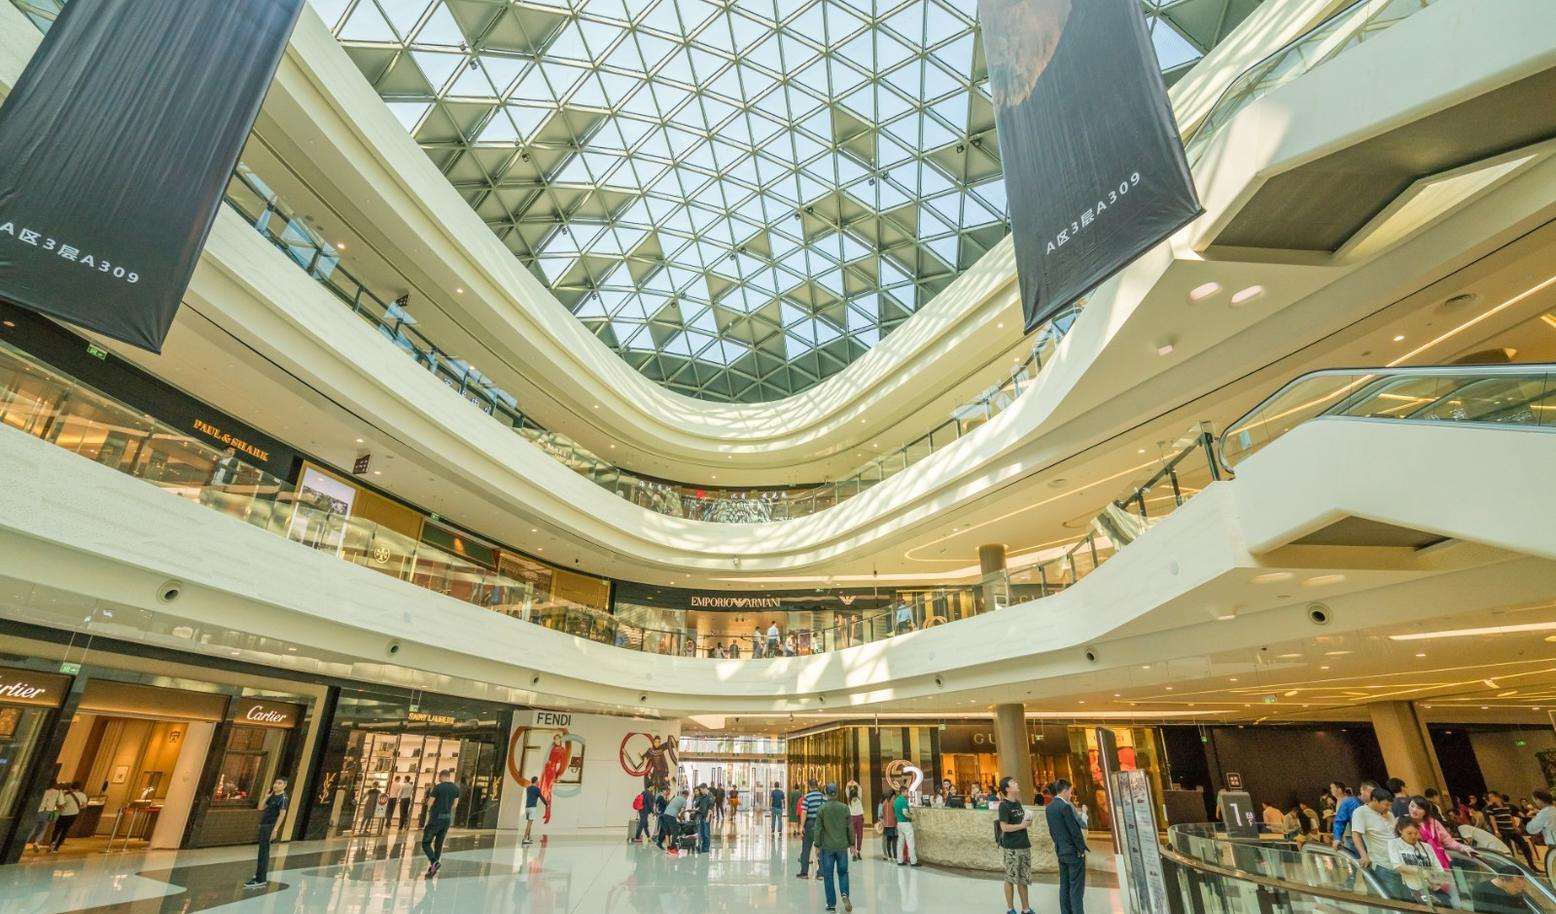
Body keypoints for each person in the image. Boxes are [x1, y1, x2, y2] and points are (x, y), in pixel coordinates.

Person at [996, 776, 1037, 914]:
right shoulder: (1004, 806)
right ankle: (1010, 909)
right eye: (1013, 783)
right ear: (1007, 789)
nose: (1016, 783)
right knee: (1010, 878)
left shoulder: (1018, 803)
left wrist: (1027, 822)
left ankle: (1026, 909)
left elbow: (1021, 823)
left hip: (1024, 845)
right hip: (1012, 848)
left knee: (1023, 879)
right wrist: (1022, 825)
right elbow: (1004, 827)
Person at [1047, 779, 1088, 914]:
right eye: (1070, 791)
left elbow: (1052, 832)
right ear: (1065, 791)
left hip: (1061, 851)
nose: (1071, 794)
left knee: (1064, 886)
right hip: (1073, 853)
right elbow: (1074, 831)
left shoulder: (1050, 807)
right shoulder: (1065, 807)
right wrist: (1081, 849)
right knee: (1076, 889)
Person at [1388, 817, 1451, 903]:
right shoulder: (1394, 844)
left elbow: (1438, 868)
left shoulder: (1426, 847)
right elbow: (1398, 866)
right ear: (1400, 831)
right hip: (1412, 889)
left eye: (1416, 833)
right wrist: (1421, 872)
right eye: (1409, 833)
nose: (1413, 836)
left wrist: (1438, 880)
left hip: (1431, 888)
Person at [244, 778, 289, 888]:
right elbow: (260, 808)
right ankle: (259, 875)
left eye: (280, 783)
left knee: (264, 852)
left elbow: (282, 814)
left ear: (284, 785)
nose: (276, 785)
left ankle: (261, 879)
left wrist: (275, 830)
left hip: (270, 826)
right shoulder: (273, 796)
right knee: (261, 852)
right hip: (264, 825)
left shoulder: (283, 798)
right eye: (275, 783)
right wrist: (266, 797)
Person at [816, 783, 854, 913]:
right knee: (843, 872)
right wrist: (852, 844)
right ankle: (844, 894)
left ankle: (831, 904)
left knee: (828, 875)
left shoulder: (822, 809)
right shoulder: (845, 808)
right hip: (842, 847)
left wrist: (817, 845)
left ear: (826, 794)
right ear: (837, 793)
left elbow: (818, 829)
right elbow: (850, 827)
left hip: (827, 847)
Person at [1406, 795, 1469, 868]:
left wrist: (1462, 847)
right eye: (1412, 806)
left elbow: (1448, 841)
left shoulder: (1434, 823)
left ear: (1425, 811)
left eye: (1419, 808)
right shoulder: (1404, 823)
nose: (1414, 810)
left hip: (1440, 860)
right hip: (1420, 863)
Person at [421, 769, 460, 878]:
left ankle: (434, 862)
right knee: (439, 845)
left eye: (439, 777)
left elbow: (430, 802)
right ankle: (432, 870)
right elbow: (455, 805)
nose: (438, 779)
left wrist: (430, 809)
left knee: (426, 843)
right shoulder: (456, 788)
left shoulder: (438, 787)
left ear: (442, 776)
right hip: (447, 819)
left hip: (435, 819)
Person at [1350, 787, 1396, 874]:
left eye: (1390, 805)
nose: (1388, 808)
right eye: (1386, 805)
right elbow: (1356, 835)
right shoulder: (1360, 812)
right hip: (1382, 864)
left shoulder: (1389, 814)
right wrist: (1363, 855)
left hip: (1398, 863)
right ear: (1374, 800)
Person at [1471, 871, 1537, 914]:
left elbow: (1526, 910)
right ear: (1503, 880)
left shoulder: (1513, 890)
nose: (1519, 890)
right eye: (1516, 887)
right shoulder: (1481, 890)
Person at [797, 779, 826, 878]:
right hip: (820, 825)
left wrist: (801, 826)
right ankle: (821, 873)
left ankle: (804, 873)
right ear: (817, 786)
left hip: (809, 824)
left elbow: (804, 812)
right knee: (821, 849)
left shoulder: (807, 797)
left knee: (806, 849)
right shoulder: (823, 797)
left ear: (809, 786)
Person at [50, 782, 89, 853]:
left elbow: (61, 805)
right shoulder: (83, 795)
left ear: (71, 788)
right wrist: (77, 808)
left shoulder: (67, 796)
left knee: (57, 829)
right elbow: (84, 806)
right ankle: (56, 848)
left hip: (63, 814)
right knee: (65, 831)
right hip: (73, 815)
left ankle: (52, 842)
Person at [25, 782, 62, 852]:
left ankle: (24, 842)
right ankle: (36, 842)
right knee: (43, 829)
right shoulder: (57, 792)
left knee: (32, 827)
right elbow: (60, 803)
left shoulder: (41, 790)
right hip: (48, 811)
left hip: (38, 810)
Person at [892, 783, 918, 866]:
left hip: (899, 823)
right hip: (906, 823)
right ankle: (913, 861)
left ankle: (900, 860)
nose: (907, 793)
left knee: (900, 843)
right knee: (910, 843)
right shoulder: (903, 800)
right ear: (903, 792)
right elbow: (905, 812)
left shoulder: (896, 800)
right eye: (907, 792)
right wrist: (912, 817)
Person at [522, 777, 548, 846]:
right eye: (538, 781)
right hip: (532, 808)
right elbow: (541, 797)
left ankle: (528, 838)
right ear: (536, 781)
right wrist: (546, 804)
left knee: (529, 823)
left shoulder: (528, 788)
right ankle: (524, 839)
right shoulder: (537, 789)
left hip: (527, 807)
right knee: (529, 824)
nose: (538, 782)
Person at [845, 781, 865, 860]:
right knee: (852, 836)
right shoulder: (849, 800)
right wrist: (849, 784)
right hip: (852, 817)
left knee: (860, 835)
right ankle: (854, 853)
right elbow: (847, 789)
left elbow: (860, 789)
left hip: (859, 817)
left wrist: (855, 783)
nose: (854, 798)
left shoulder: (859, 798)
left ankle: (858, 851)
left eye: (855, 796)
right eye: (853, 797)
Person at [693, 784, 714, 853]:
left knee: (706, 833)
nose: (700, 791)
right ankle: (702, 847)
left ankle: (706, 848)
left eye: (701, 790)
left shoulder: (710, 796)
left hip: (706, 817)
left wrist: (708, 816)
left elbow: (711, 807)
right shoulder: (702, 796)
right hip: (701, 816)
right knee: (701, 832)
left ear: (705, 788)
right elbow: (697, 805)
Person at [879, 787, 899, 861]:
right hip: (893, 824)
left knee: (888, 841)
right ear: (893, 795)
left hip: (886, 825)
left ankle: (890, 857)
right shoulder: (894, 802)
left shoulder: (884, 802)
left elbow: (882, 814)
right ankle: (895, 857)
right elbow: (896, 814)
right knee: (894, 841)